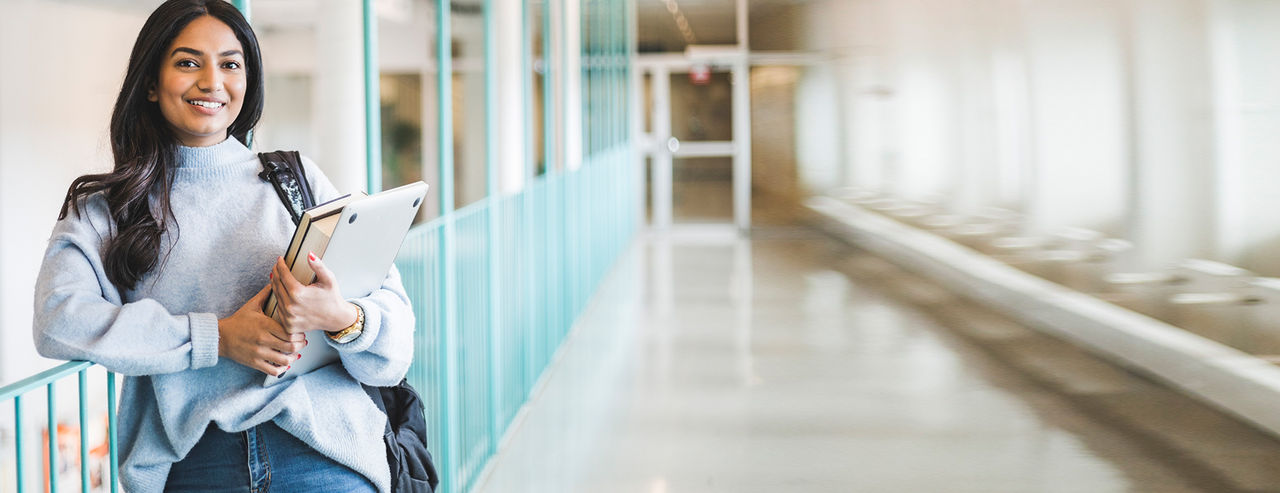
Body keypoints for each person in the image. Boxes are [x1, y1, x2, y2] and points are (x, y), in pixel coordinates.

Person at [31, 1, 415, 491]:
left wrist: (341, 318)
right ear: (150, 83)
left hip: (322, 453)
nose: (213, 81)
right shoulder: (108, 207)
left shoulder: (294, 182)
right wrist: (216, 337)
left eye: (231, 64)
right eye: (188, 62)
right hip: (195, 463)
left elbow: (396, 342)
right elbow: (57, 320)